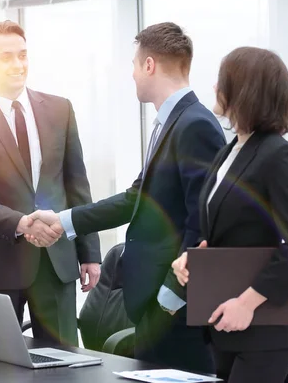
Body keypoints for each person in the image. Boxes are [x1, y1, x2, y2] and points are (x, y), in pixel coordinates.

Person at [28, 22, 225, 372]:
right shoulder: (171, 123)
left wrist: (169, 299)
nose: (132, 75)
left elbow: (203, 223)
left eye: (135, 65)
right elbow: (136, 198)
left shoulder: (194, 124)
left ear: (149, 65)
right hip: (155, 304)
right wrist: (63, 220)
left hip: (175, 308)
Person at [0, 20, 101, 346]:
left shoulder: (60, 109)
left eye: (23, 55)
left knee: (63, 364)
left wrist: (90, 251)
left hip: (55, 260)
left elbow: (77, 184)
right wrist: (21, 223)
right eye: (7, 57)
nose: (18, 65)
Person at [172, 46, 288, 383]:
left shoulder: (278, 156)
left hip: (261, 331)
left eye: (222, 80)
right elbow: (228, 229)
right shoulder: (231, 151)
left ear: (244, 91)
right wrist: (193, 257)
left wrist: (247, 302)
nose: (214, 87)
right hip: (223, 324)